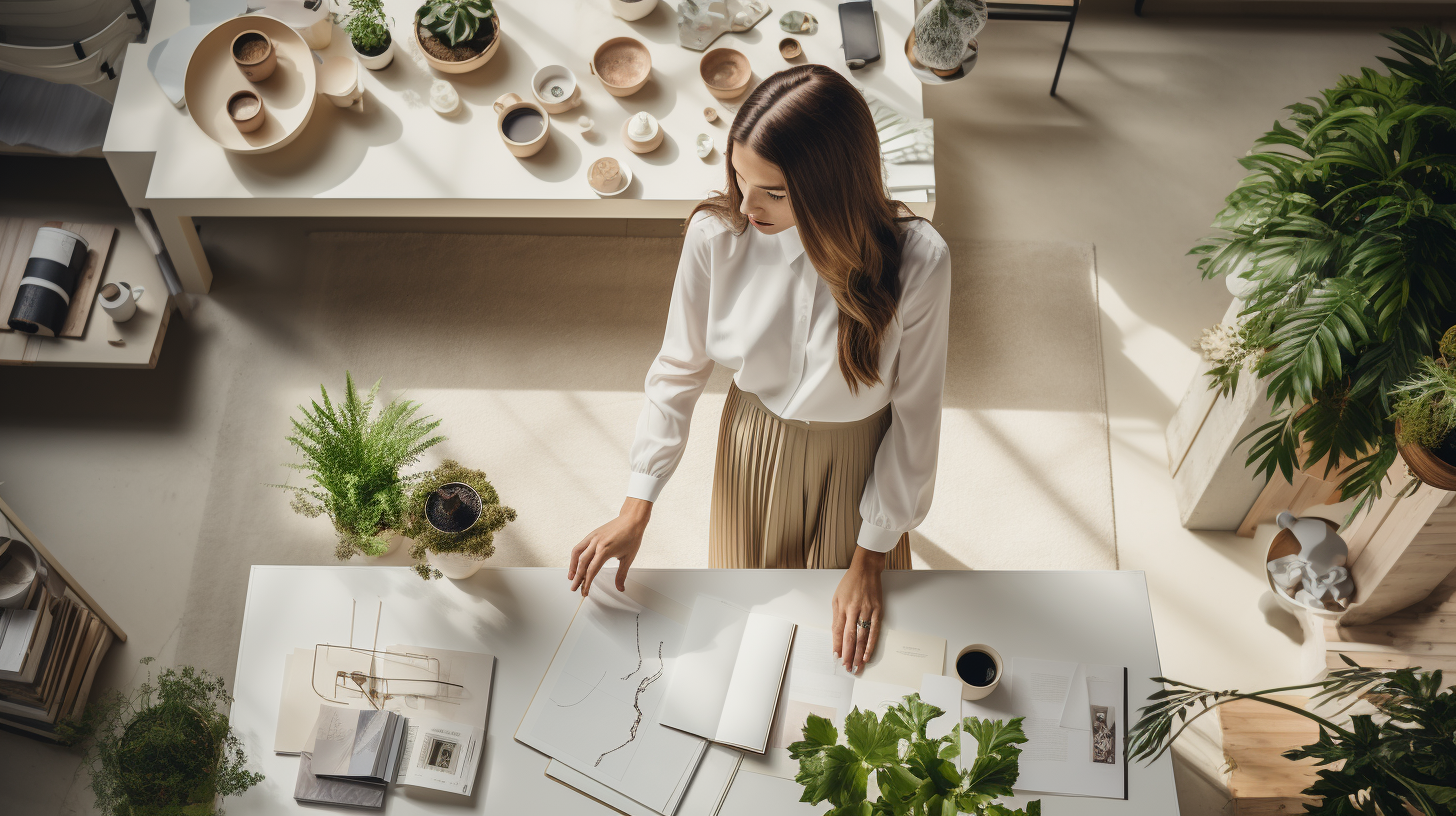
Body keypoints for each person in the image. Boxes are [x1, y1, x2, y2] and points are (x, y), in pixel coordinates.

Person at [568, 65, 951, 674]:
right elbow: (678, 368)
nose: (747, 206)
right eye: (739, 178)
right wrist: (637, 503)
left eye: (772, 192)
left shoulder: (918, 260)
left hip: (859, 455)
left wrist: (872, 555)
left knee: (850, 652)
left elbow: (917, 411)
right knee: (749, 629)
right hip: (753, 443)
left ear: (833, 186)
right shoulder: (715, 236)